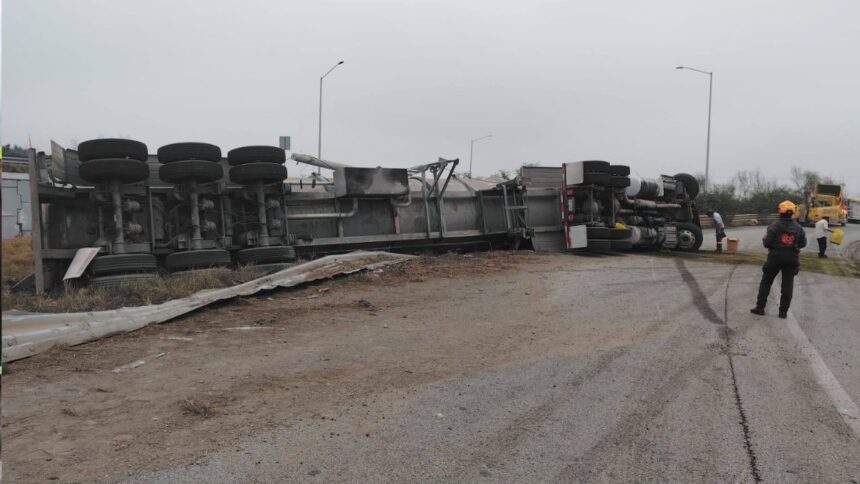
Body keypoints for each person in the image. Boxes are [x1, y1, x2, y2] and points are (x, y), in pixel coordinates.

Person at [751, 200, 807, 319]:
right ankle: (783, 312)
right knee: (788, 285)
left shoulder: (773, 226)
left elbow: (767, 243)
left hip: (775, 257)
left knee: (766, 282)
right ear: (793, 212)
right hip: (792, 258)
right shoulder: (798, 228)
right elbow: (803, 243)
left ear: (779, 211)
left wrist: (767, 241)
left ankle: (760, 308)